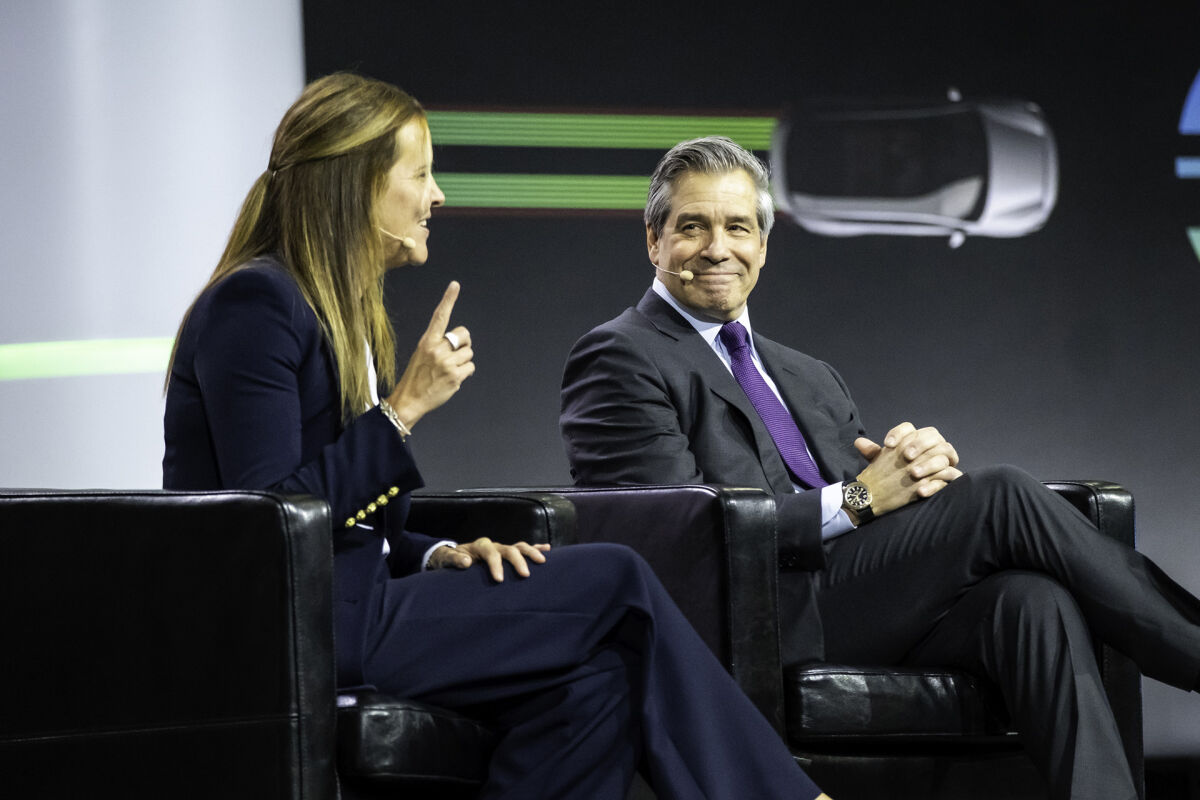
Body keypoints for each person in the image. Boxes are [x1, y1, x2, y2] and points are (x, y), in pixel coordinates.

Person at [162, 76, 828, 800]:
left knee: (597, 683)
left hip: (358, 607)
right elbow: (270, 525)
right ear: (355, 186)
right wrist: (402, 411)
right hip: (295, 631)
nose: (438, 196)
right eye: (420, 175)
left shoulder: (337, 314)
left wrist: (442, 552)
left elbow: (352, 528)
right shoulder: (257, 302)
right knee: (617, 579)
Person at [560, 135, 1200, 800]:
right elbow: (671, 536)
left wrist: (918, 475)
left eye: (738, 227)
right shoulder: (620, 357)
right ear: (653, 241)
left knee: (1031, 603)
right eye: (692, 227)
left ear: (764, 245)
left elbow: (872, 505)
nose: (717, 248)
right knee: (1002, 494)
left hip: (844, 605)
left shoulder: (808, 376)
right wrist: (862, 499)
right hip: (740, 627)